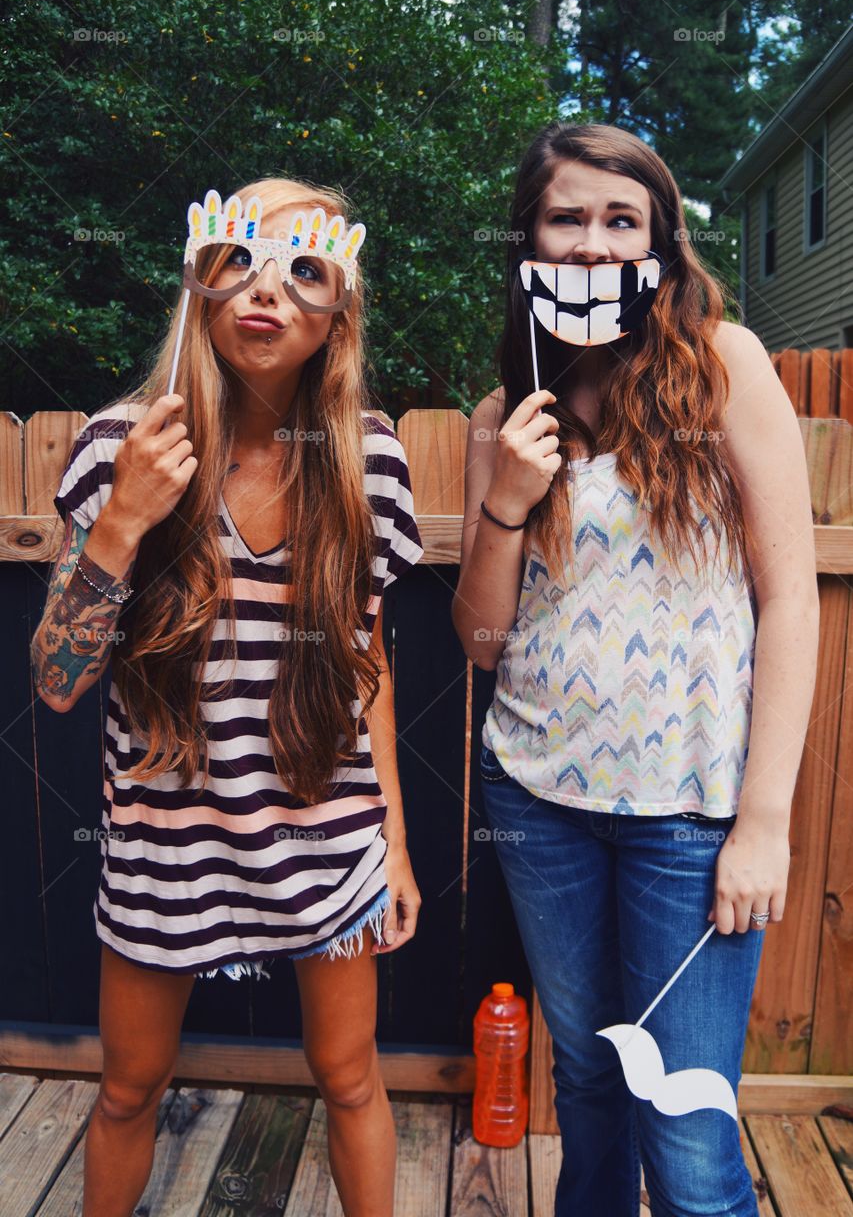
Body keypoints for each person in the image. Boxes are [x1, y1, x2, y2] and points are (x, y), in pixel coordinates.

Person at [31, 177, 424, 1217]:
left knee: (349, 1076)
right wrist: (122, 524)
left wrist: (394, 842)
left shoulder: (367, 463)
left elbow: (366, 662)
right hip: (169, 837)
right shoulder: (120, 451)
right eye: (238, 258)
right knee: (127, 1088)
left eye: (305, 270)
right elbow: (59, 683)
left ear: (336, 314)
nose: (266, 289)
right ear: (200, 280)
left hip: (323, 829)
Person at [452, 122, 819, 1217]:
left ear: (660, 241)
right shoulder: (501, 416)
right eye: (569, 216)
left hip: (691, 810)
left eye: (624, 219)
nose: (596, 242)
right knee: (591, 1084)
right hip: (539, 800)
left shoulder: (725, 367)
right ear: (530, 237)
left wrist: (763, 820)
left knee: (690, 1125)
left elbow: (788, 597)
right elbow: (479, 636)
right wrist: (506, 499)